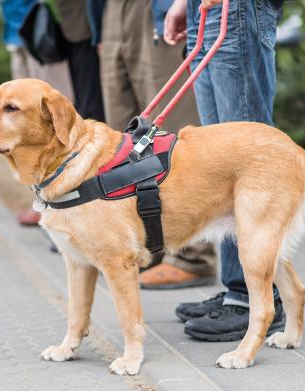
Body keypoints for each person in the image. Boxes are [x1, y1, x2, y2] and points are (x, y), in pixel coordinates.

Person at [164, 0, 286, 341]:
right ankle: (237, 287)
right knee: (218, 157)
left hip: (238, 7)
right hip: (205, 8)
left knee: (247, 155)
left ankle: (252, 297)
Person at [97, 0, 218, 290]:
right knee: (123, 141)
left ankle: (194, 258)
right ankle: (144, 248)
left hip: (157, 8)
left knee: (172, 136)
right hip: (111, 11)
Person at [0, 0, 74, 227]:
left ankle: (68, 206)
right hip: (15, 30)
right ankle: (42, 202)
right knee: (21, 126)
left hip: (43, 26)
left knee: (57, 121)